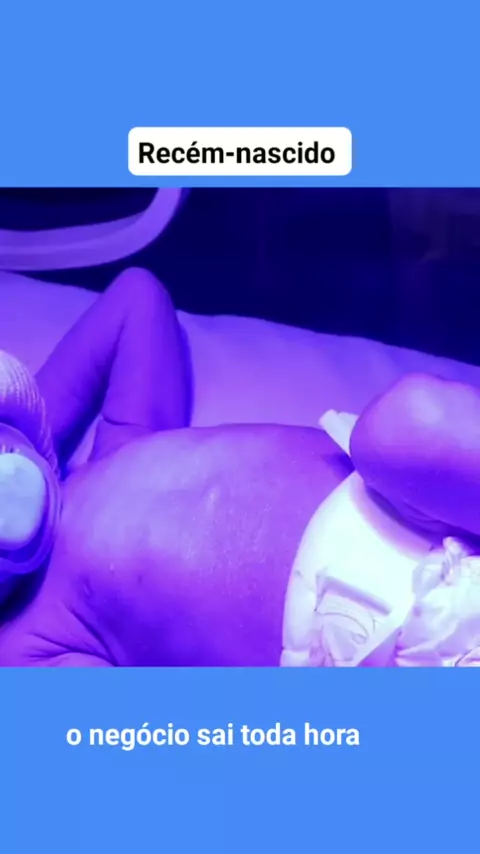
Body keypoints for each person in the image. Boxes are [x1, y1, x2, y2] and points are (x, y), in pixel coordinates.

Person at [0, 267, 479, 667]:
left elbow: (135, 298)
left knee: (410, 420)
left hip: (425, 503)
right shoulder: (30, 640)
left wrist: (31, 425)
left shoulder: (123, 444)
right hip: (372, 649)